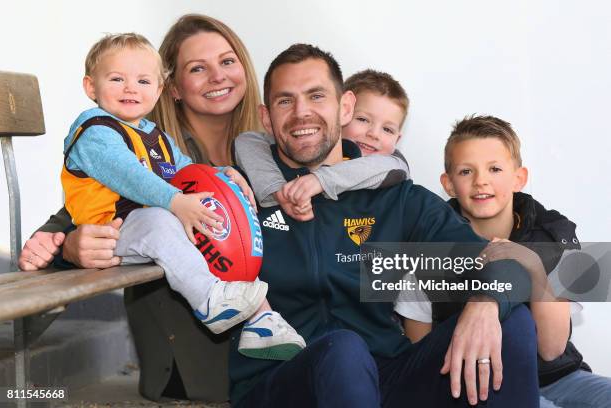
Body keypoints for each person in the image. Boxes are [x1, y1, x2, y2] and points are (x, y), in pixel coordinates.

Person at [228, 43, 538, 408]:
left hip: (385, 376)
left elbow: (510, 265)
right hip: (282, 382)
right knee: (342, 349)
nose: (301, 113)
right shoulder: (242, 192)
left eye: (316, 96)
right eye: (285, 101)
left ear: (345, 107)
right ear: (266, 118)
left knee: (511, 320)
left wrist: (485, 303)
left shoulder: (398, 198)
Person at [60, 31, 306, 362]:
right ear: (91, 87)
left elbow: (188, 172)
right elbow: (131, 177)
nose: (131, 88)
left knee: (222, 218)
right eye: (117, 79)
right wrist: (178, 203)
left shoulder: (153, 135)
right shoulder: (95, 132)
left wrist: (225, 178)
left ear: (159, 90)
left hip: (148, 228)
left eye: (143, 80)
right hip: (112, 229)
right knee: (165, 217)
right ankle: (211, 303)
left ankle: (261, 319)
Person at [395, 115, 611, 408]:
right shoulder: (426, 252)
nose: (481, 180)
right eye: (466, 171)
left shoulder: (553, 235)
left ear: (518, 178)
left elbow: (552, 349)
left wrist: (533, 266)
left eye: (494, 169)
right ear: (447, 184)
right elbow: (421, 360)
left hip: (558, 377)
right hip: (476, 387)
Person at [234, 69, 411, 220]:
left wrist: (321, 180)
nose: (374, 134)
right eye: (363, 119)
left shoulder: (394, 166)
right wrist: (276, 188)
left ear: (397, 139)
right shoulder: (301, 146)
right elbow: (248, 141)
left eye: (388, 130)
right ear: (342, 112)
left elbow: (390, 166)